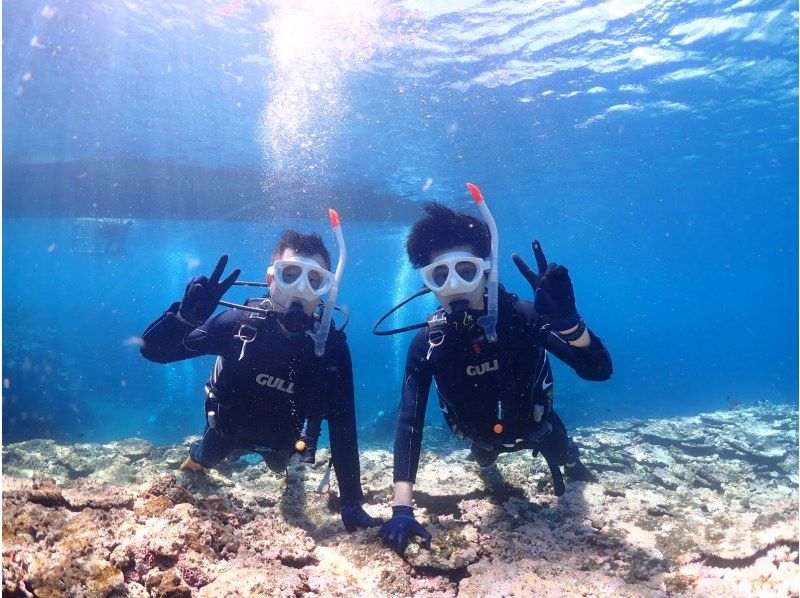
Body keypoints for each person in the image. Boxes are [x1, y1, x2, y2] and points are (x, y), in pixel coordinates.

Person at [377, 197, 613, 555]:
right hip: (480, 438)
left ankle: (572, 461)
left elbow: (599, 371)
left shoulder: (522, 317)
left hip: (539, 429)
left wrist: (572, 328)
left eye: (466, 270)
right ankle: (488, 461)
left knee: (565, 455)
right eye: (440, 275)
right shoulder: (429, 343)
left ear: (487, 269)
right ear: (428, 283)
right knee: (485, 458)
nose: (454, 285)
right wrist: (401, 507)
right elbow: (410, 422)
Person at [140, 229, 380, 533]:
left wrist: (351, 502)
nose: (301, 290)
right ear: (270, 279)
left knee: (282, 467)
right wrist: (184, 319)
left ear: (326, 291)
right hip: (226, 431)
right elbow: (155, 353)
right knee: (205, 456)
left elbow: (343, 426)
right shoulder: (238, 325)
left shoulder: (330, 348)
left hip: (284, 443)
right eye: (290, 275)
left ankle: (287, 470)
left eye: (314, 280)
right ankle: (197, 455)